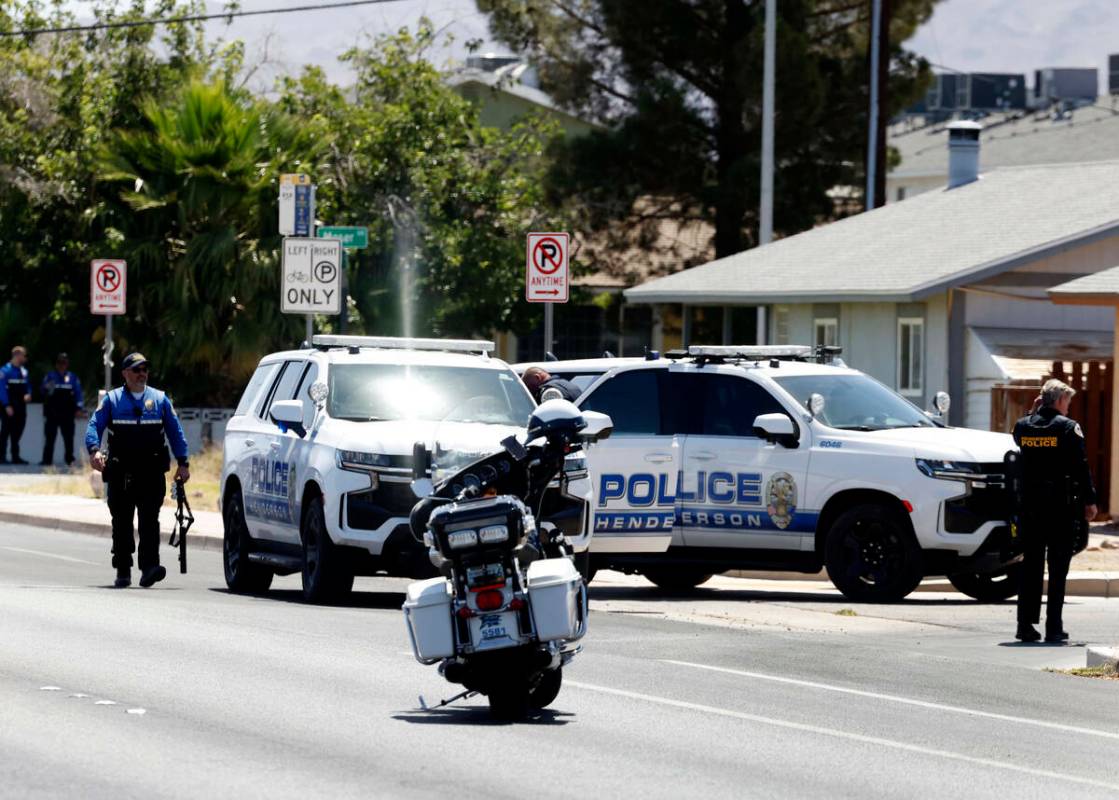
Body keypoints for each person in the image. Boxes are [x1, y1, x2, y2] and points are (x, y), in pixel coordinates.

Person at [85, 353, 190, 589]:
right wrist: (94, 451)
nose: (142, 373)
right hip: (121, 471)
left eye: (145, 369)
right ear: (125, 373)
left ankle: (149, 568)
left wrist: (183, 463)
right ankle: (123, 568)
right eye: (136, 369)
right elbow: (94, 425)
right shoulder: (112, 400)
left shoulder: (160, 400)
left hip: (151, 472)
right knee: (122, 521)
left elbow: (176, 432)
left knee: (149, 521)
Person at [1012, 378, 1097, 643]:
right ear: (1059, 400)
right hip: (1061, 509)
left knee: (1031, 568)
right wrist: (1090, 500)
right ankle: (1054, 627)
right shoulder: (1069, 428)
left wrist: (1032, 410)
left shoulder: (1023, 426)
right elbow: (1081, 467)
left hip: (1030, 509)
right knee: (1058, 570)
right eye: (1067, 402)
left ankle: (1025, 626)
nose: (1069, 408)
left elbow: (1018, 436)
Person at [41, 353, 85, 466]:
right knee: (50, 437)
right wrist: (48, 387)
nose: (62, 365)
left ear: (67, 364)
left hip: (67, 414)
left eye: (64, 363)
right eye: (59, 363)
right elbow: (43, 392)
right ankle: (47, 461)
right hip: (52, 413)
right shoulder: (50, 376)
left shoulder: (72, 377)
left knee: (68, 438)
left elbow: (78, 394)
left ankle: (69, 460)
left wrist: (79, 408)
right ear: (56, 364)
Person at [0, 345, 32, 464]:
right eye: (24, 355)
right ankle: (1, 456)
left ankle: (15, 456)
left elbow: (28, 386)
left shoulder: (23, 371)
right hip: (8, 406)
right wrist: (6, 405)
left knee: (17, 431)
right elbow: (1, 389)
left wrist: (28, 394)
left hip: (21, 406)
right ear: (17, 355)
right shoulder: (5, 370)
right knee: (5, 431)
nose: (25, 358)